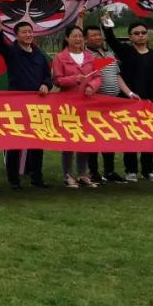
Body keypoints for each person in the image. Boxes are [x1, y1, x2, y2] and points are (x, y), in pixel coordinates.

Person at [102, 16, 153, 182]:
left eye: (143, 32)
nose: (140, 36)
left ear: (147, 35)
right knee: (130, 137)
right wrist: (107, 25)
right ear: (130, 37)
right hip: (129, 102)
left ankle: (148, 170)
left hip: (150, 105)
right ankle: (130, 170)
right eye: (136, 33)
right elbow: (112, 41)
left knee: (149, 138)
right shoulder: (126, 52)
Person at [0, 17, 53, 189]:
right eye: (24, 32)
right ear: (16, 35)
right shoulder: (12, 51)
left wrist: (46, 85)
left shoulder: (39, 54)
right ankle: (13, 180)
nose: (28, 35)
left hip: (37, 104)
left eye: (30, 32)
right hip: (16, 103)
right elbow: (0, 45)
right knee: (15, 142)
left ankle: (37, 178)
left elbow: (48, 76)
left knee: (37, 142)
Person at [51, 25, 102, 188]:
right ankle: (67, 174)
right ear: (67, 38)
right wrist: (74, 79)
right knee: (69, 140)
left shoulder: (90, 57)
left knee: (85, 139)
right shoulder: (60, 58)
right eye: (75, 36)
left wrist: (92, 86)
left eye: (80, 36)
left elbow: (98, 76)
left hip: (87, 103)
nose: (78, 39)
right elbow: (57, 80)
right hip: (68, 105)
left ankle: (82, 174)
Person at [84, 24, 130, 183]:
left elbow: (117, 76)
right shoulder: (86, 55)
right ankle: (93, 172)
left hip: (112, 103)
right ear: (85, 39)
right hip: (94, 103)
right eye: (93, 35)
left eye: (99, 34)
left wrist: (129, 93)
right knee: (93, 138)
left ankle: (109, 171)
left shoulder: (110, 54)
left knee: (109, 136)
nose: (98, 37)